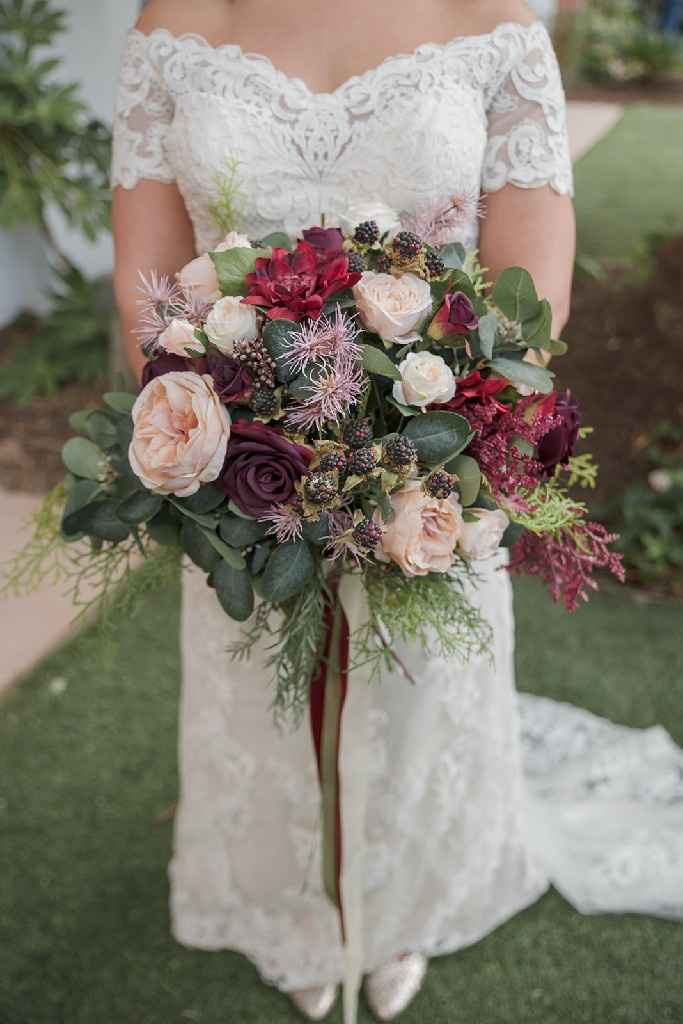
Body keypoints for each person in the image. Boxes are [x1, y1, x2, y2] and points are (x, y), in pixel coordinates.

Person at [111, 1, 654, 1020]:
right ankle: (282, 902)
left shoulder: (495, 22)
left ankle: (403, 899)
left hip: (432, 450)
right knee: (257, 680)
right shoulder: (174, 21)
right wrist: (209, 434)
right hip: (240, 447)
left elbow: (529, 289)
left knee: (416, 684)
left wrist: (428, 448)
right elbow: (146, 288)